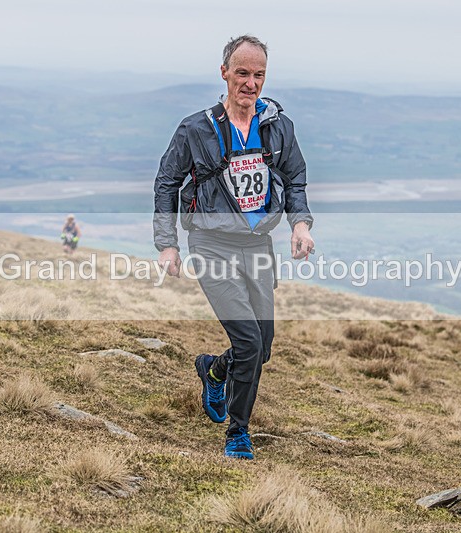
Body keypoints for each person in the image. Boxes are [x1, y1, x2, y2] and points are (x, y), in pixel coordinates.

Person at [154, 35, 314, 460]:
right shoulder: (196, 128)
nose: (251, 82)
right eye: (242, 73)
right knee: (247, 341)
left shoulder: (279, 126)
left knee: (262, 346)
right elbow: (167, 182)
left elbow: (295, 178)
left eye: (258, 74)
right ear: (224, 72)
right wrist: (168, 245)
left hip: (258, 244)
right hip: (210, 244)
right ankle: (238, 433)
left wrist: (300, 225)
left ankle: (214, 369)